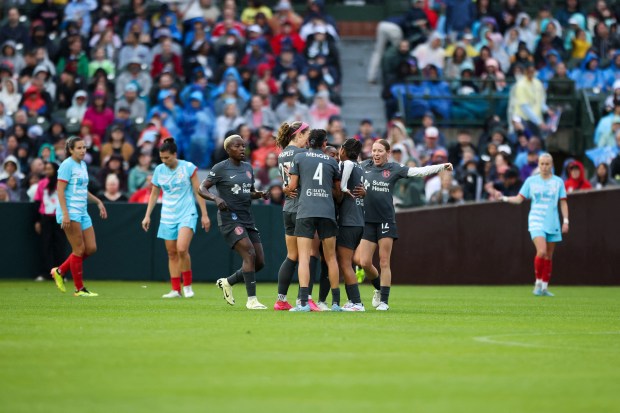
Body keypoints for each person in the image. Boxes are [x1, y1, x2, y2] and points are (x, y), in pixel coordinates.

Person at [359, 139, 452, 310]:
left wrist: (441, 166)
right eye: (374, 150)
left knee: (384, 260)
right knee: (364, 262)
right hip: (367, 220)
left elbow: (418, 172)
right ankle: (379, 289)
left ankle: (384, 302)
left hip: (386, 220)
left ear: (388, 153)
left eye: (380, 151)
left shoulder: (394, 168)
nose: (376, 154)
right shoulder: (363, 165)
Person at [199, 135, 270, 310]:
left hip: (247, 218)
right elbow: (201, 188)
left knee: (259, 262)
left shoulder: (248, 168)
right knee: (249, 254)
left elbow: (249, 191)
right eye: (237, 146)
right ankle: (251, 300)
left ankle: (228, 282)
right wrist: (215, 198)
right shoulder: (221, 168)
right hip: (229, 218)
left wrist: (259, 194)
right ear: (228, 149)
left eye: (243, 146)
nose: (241, 149)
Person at [142, 138, 210, 298]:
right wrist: (147, 216)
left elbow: (198, 191)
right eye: (162, 158)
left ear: (175, 154)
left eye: (167, 157)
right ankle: (175, 289)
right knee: (171, 253)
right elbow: (154, 193)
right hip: (167, 216)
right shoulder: (159, 170)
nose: (164, 161)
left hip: (187, 213)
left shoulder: (188, 168)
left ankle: (187, 286)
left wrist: (205, 215)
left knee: (181, 249)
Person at [286, 128, 342, 312]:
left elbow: (292, 186)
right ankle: (335, 303)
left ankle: (302, 302)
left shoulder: (300, 158)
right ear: (325, 143)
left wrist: (286, 188)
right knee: (331, 258)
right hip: (327, 211)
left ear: (309, 142)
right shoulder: (332, 162)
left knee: (304, 257)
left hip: (306, 210)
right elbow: (338, 193)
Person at [497, 153, 569, 297]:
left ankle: (544, 287)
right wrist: (503, 198)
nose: (544, 166)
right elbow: (519, 199)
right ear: (538, 165)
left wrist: (566, 220)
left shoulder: (558, 182)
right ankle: (537, 282)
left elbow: (563, 201)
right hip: (536, 220)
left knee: (548, 256)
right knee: (541, 251)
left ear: (552, 165)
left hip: (552, 221)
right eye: (541, 163)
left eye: (547, 164)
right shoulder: (531, 181)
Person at [50, 136, 108, 297]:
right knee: (79, 249)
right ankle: (79, 289)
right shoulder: (66, 165)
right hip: (70, 211)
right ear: (70, 150)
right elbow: (60, 190)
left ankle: (60, 271)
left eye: (84, 147)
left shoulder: (83, 165)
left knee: (91, 248)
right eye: (79, 148)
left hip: (82, 211)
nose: (83, 150)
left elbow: (83, 189)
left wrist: (98, 201)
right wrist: (65, 214)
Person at [272, 121, 311, 311]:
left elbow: (287, 184)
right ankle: (305, 300)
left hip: (287, 208)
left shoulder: (282, 154)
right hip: (302, 207)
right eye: (307, 135)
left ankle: (281, 300)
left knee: (291, 256)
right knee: (306, 256)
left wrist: (286, 188)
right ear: (299, 135)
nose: (308, 139)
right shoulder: (302, 154)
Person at [336, 138, 367, 311]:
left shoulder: (348, 164)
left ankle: (357, 302)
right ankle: (352, 301)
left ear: (344, 150)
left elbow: (346, 166)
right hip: (359, 221)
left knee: (345, 263)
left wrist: (341, 187)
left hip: (348, 221)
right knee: (345, 263)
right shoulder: (361, 167)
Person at [33, 162, 65, 282]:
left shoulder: (61, 183)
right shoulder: (41, 184)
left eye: (49, 169)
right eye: (45, 169)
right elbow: (37, 202)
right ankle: (46, 273)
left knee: (59, 246)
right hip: (45, 218)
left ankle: (61, 274)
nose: (47, 171)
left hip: (59, 218)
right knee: (45, 246)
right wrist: (37, 220)